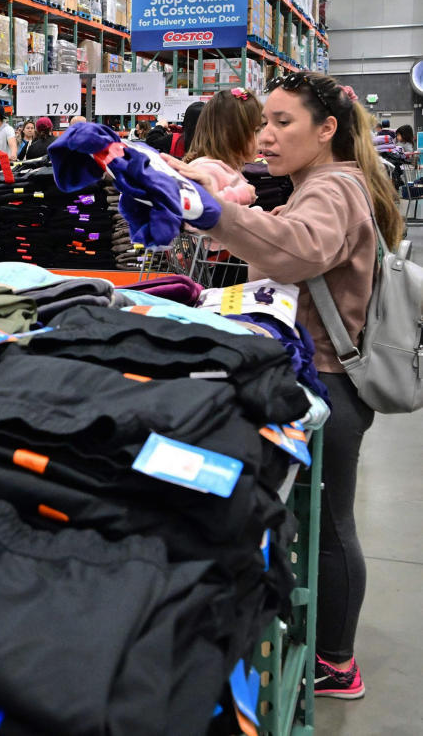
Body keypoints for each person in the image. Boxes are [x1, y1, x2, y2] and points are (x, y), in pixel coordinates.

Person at [166, 70, 405, 702]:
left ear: (327, 130)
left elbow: (301, 249)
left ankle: (336, 662)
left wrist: (214, 212)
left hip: (328, 381)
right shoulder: (323, 184)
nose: (265, 136)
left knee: (328, 526)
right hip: (320, 374)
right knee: (321, 520)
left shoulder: (332, 188)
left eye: (283, 123)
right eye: (264, 123)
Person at [180, 88, 259, 206]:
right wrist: (239, 195)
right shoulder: (208, 170)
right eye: (256, 131)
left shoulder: (224, 168)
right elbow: (195, 210)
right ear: (235, 134)